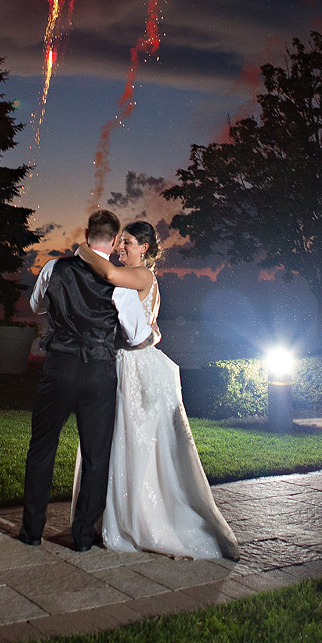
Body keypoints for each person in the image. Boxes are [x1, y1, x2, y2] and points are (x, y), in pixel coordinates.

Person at [74, 221, 239, 561]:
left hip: (136, 368)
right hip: (125, 363)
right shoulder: (138, 279)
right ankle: (111, 513)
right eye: (121, 243)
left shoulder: (142, 276)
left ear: (144, 248)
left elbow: (109, 275)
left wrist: (83, 251)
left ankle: (139, 517)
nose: (122, 248)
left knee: (137, 439)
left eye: (128, 243)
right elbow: (149, 325)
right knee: (122, 439)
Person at [20, 209, 152, 552]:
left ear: (87, 233)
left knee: (42, 448)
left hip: (59, 368)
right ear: (113, 240)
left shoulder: (53, 268)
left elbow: (36, 306)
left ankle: (32, 531)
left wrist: (65, 315)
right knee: (96, 455)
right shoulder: (119, 281)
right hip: (97, 372)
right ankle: (81, 537)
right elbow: (137, 335)